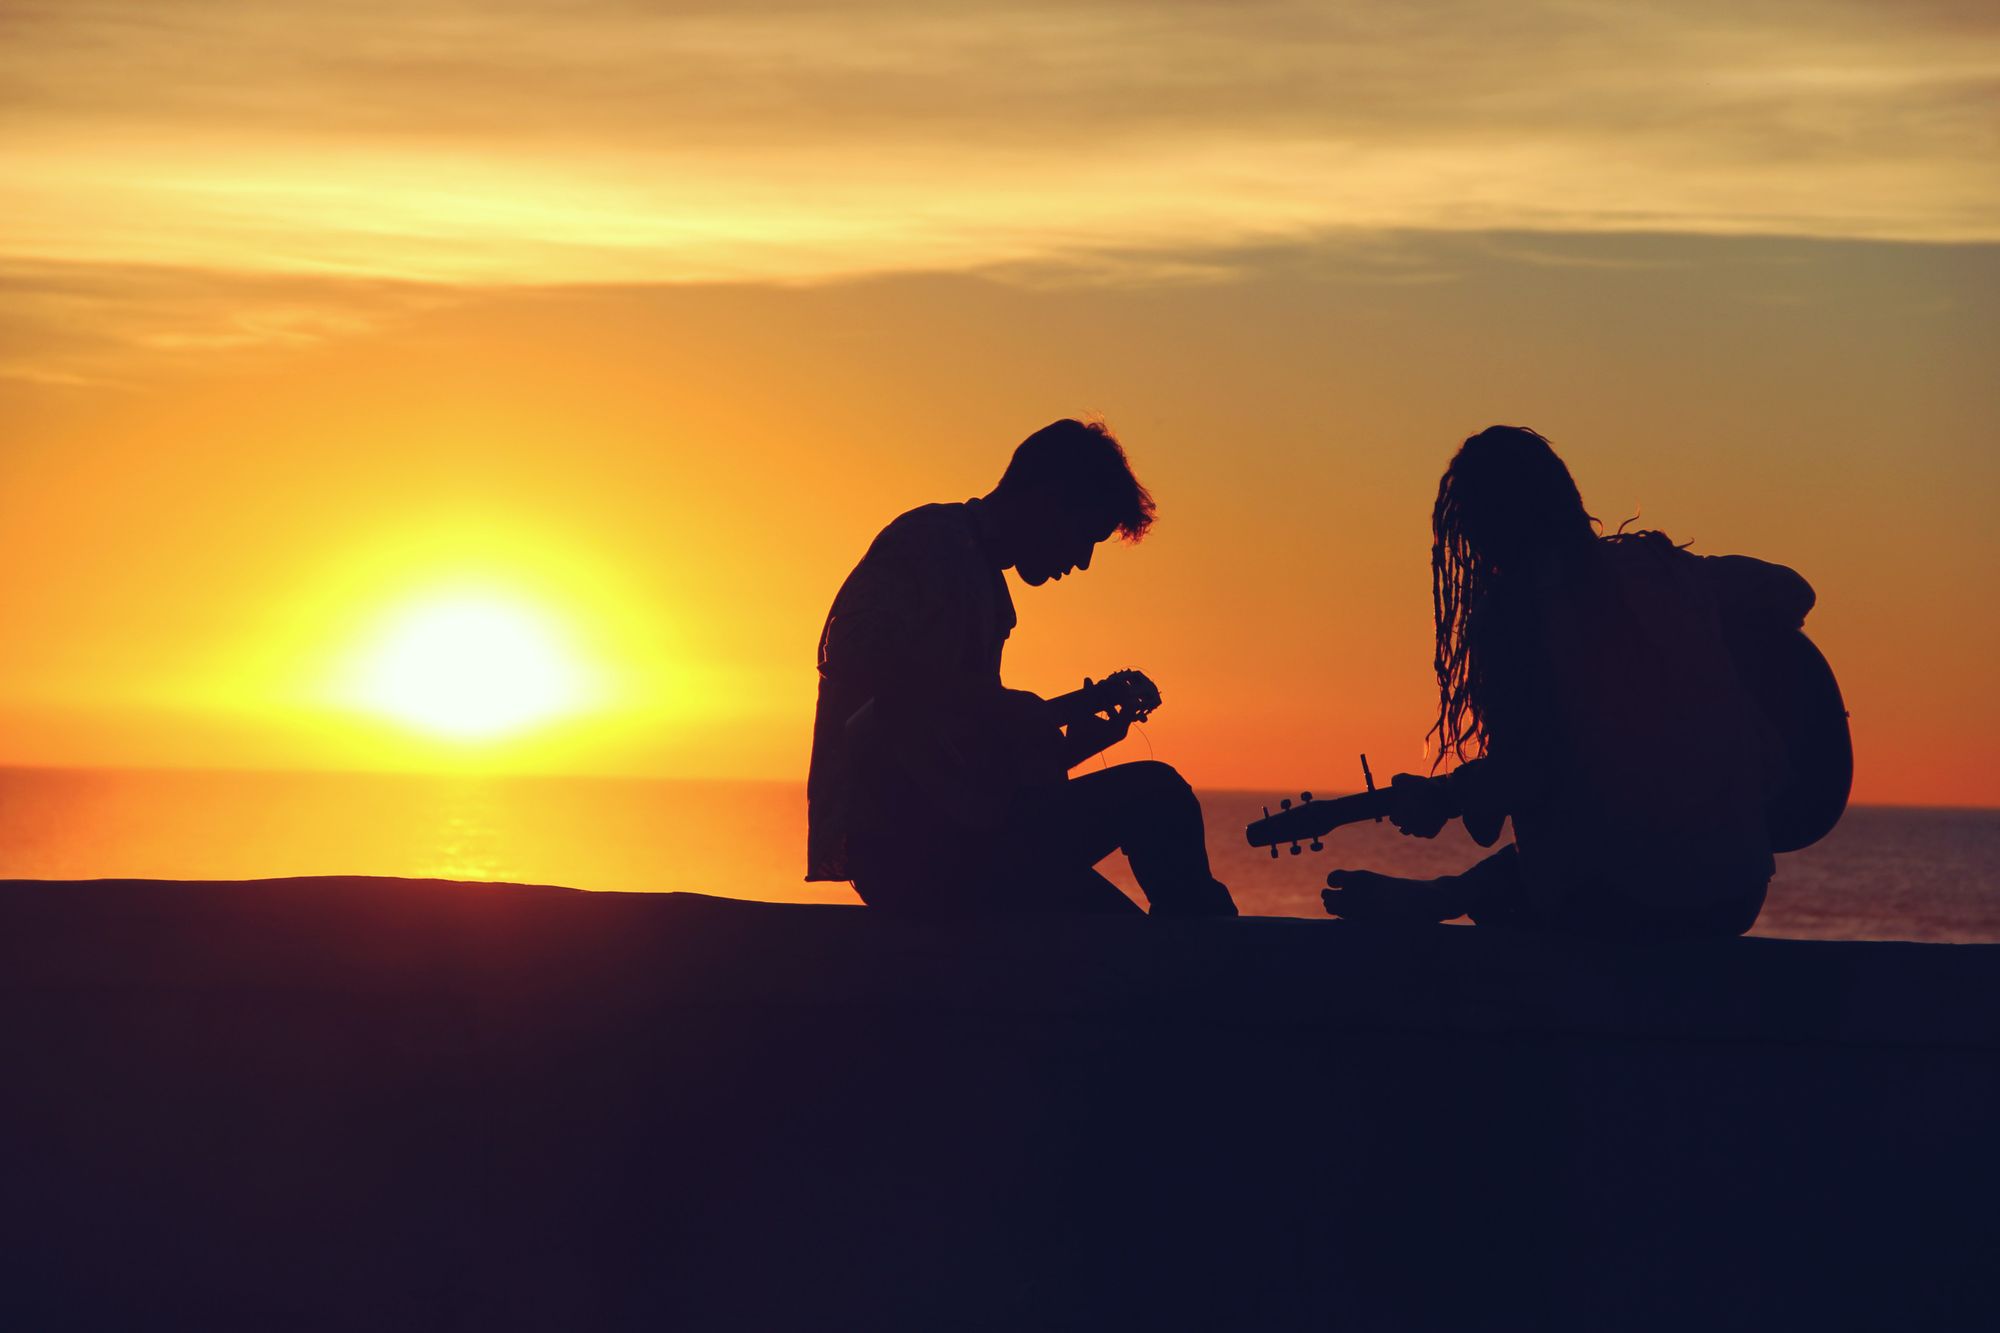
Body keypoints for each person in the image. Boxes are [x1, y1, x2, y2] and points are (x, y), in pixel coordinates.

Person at [1322, 425, 1818, 938]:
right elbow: (1792, 591)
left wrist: (1446, 799)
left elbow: (1532, 770)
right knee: (1574, 845)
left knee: (1533, 881)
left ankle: (1432, 899)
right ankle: (1440, 894)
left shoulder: (1518, 614)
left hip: (1618, 904)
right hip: (1734, 892)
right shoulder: (1664, 572)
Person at [807, 418, 1236, 918]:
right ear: (1048, 499)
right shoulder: (929, 541)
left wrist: (1068, 744)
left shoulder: (983, 579)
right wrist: (1011, 708)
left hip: (955, 840)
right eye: (1084, 536)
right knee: (1157, 794)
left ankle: (1202, 963)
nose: (1082, 561)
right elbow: (851, 648)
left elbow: (965, 758)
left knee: (1129, 931)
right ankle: (1217, 970)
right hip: (910, 850)